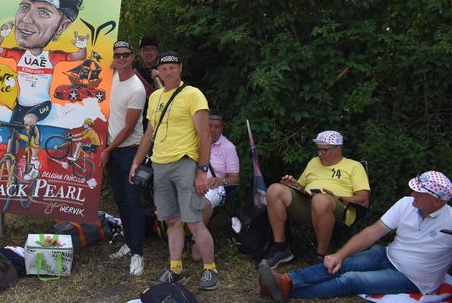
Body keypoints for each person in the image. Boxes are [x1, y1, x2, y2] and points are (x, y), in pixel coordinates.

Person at [259, 170, 452, 302]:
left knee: (351, 279)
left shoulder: (449, 221)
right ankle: (286, 280)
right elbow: (373, 231)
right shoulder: (406, 203)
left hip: (412, 278)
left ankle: (288, 290)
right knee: (343, 264)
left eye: (419, 192)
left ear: (436, 202)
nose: (412, 193)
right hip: (387, 255)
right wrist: (339, 255)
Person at [129, 50, 219, 290]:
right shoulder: (156, 96)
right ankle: (175, 268)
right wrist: (136, 162)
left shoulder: (193, 95)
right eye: (164, 68)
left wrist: (202, 171)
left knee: (194, 220)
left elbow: (205, 135)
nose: (168, 72)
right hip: (159, 165)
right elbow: (149, 134)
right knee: (171, 221)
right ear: (159, 71)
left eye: (172, 67)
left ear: (180, 68)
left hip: (185, 163)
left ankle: (210, 269)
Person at [0, 0, 89, 180]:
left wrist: (81, 45)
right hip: (20, 103)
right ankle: (11, 162)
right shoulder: (18, 54)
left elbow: (78, 57)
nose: (25, 20)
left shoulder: (52, 56)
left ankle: (33, 161)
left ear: (61, 27)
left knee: (30, 122)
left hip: (40, 105)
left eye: (43, 12)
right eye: (24, 7)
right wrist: (2, 35)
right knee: (12, 136)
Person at [263, 130, 370, 268]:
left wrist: (337, 197)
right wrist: (293, 185)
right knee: (274, 190)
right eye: (318, 150)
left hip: (338, 210)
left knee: (321, 200)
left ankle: (321, 256)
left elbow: (363, 199)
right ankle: (281, 248)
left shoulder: (354, 166)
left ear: (337, 149)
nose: (320, 154)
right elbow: (301, 186)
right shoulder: (314, 162)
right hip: (308, 205)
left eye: (324, 150)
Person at [101, 40, 147, 276]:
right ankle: (129, 243)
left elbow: (129, 127)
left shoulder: (136, 88)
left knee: (133, 201)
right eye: (117, 55)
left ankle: (138, 252)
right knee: (120, 198)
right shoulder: (110, 78)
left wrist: (108, 150)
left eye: (125, 55)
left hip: (130, 149)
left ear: (132, 58)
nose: (121, 59)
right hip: (113, 149)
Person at [190, 111, 240, 261]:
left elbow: (236, 179)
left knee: (203, 204)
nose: (213, 129)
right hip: (192, 183)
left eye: (217, 127)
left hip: (216, 187)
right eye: (210, 125)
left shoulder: (228, 147)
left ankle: (195, 241)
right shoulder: (195, 141)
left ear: (222, 128)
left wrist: (220, 180)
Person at [134, 35, 162, 132]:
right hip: (140, 125)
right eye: (145, 49)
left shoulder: (167, 70)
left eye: (151, 49)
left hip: (162, 123)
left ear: (157, 52)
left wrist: (162, 75)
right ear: (140, 53)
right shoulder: (135, 73)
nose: (148, 52)